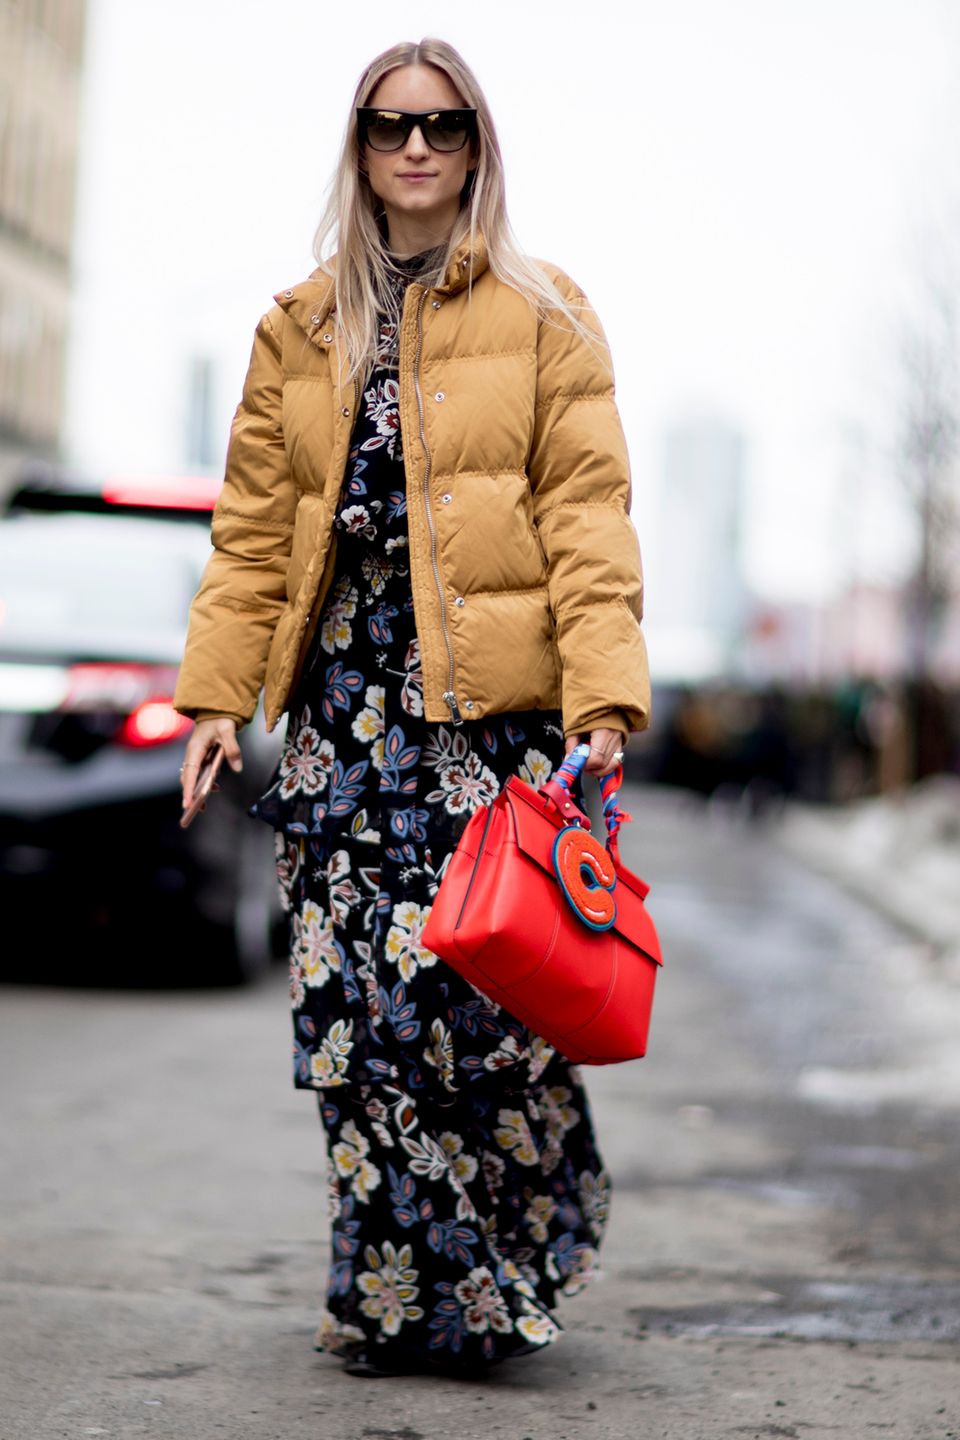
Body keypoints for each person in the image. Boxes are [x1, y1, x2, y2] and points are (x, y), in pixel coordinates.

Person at [174, 37, 650, 1378]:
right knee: (354, 1030)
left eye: (443, 125)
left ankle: (497, 1276)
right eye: (390, 127)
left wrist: (602, 699)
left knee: (471, 1026)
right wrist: (216, 696)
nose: (417, 148)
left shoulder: (549, 315)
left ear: (477, 145)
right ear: (361, 148)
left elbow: (586, 521)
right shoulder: (299, 325)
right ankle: (386, 1297)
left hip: (480, 734)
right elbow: (256, 532)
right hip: (338, 731)